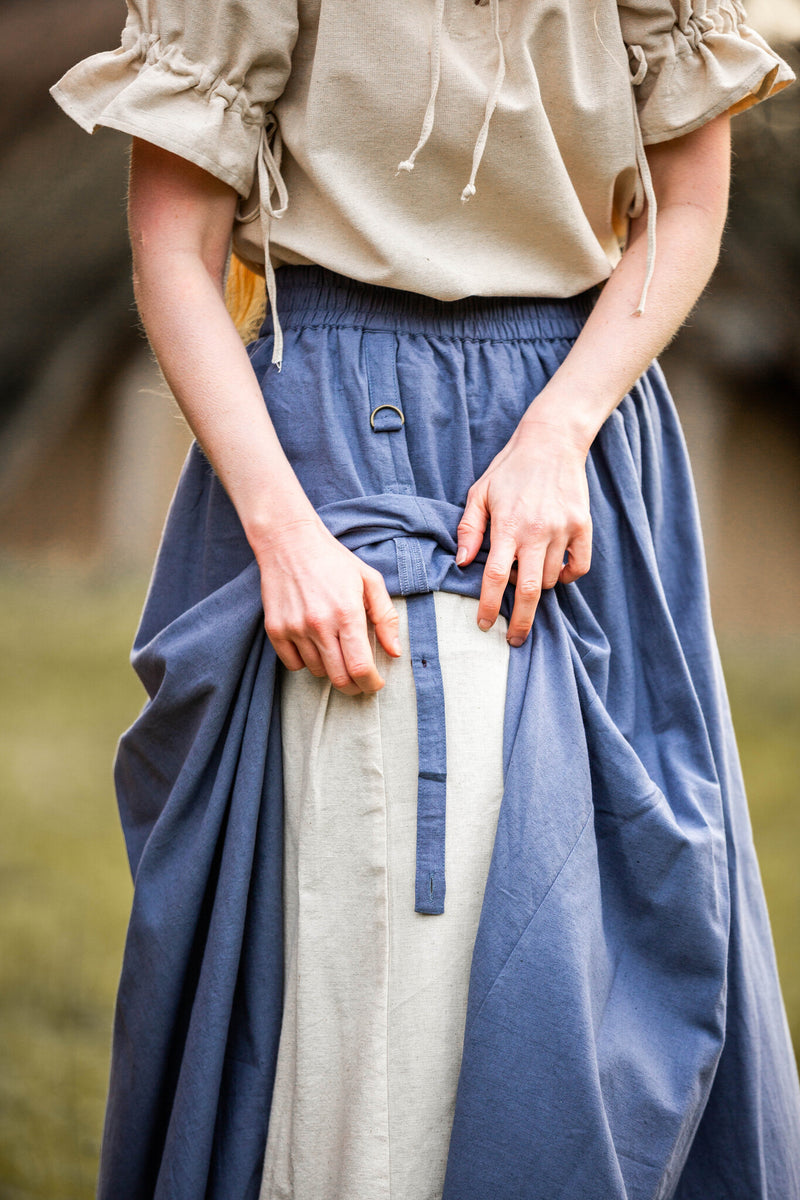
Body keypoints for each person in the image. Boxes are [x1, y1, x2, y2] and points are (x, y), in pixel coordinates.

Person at [52, 2, 800, 1198]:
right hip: (333, 448)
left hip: (584, 432)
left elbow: (687, 206)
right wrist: (285, 532)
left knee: (614, 950)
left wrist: (560, 428)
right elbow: (174, 251)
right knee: (373, 948)